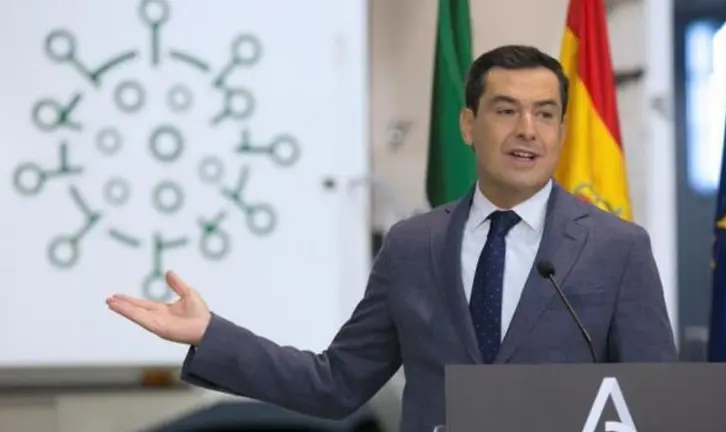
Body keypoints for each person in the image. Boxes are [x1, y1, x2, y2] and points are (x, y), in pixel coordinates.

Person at [106, 44, 677, 432]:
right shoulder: (412, 245)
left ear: (561, 129)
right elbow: (336, 384)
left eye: (545, 114)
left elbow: (656, 406)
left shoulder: (616, 248)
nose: (527, 130)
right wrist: (211, 334)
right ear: (468, 125)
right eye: (507, 111)